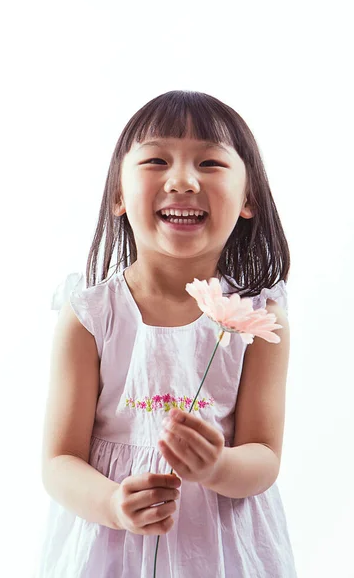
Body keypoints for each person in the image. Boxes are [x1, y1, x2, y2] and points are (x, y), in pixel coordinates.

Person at [37, 90, 297, 577]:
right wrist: (114, 504)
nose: (182, 180)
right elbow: (59, 461)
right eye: (156, 159)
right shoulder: (91, 317)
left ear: (249, 199)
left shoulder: (260, 319)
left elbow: (264, 456)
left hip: (221, 550)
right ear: (118, 194)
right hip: (112, 548)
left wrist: (217, 468)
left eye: (211, 163)